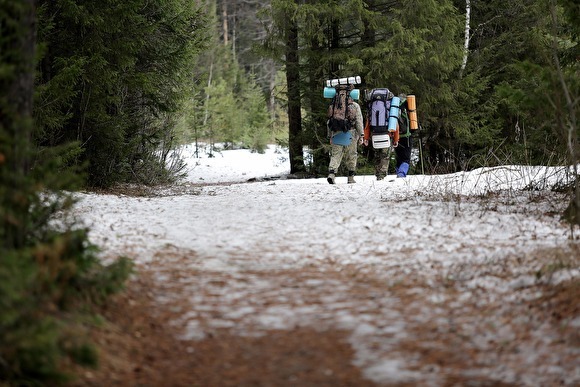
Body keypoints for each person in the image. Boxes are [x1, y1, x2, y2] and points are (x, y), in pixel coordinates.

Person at [327, 86, 364, 184]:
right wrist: (361, 135)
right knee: (351, 155)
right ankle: (351, 177)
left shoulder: (333, 105)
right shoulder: (355, 105)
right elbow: (358, 121)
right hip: (350, 133)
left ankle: (332, 174)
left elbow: (329, 121)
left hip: (336, 132)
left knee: (335, 155)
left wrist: (330, 135)